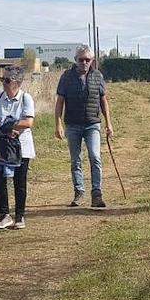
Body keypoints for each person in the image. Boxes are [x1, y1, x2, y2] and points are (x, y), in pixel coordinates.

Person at [54, 44, 113, 208]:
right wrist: (58, 124)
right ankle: (79, 192)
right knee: (76, 160)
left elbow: (103, 101)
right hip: (72, 125)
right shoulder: (66, 77)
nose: (84, 62)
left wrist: (109, 124)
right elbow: (60, 102)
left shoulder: (98, 76)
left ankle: (96, 194)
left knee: (95, 157)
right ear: (75, 60)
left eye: (88, 60)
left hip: (92, 124)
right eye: (81, 60)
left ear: (92, 60)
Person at [0, 65, 35, 230]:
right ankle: (4, 214)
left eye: (7, 80)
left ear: (18, 82)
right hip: (0, 146)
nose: (4, 83)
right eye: (2, 79)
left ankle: (20, 216)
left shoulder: (26, 99)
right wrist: (5, 128)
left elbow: (28, 122)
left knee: (19, 181)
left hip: (21, 147)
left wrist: (9, 125)